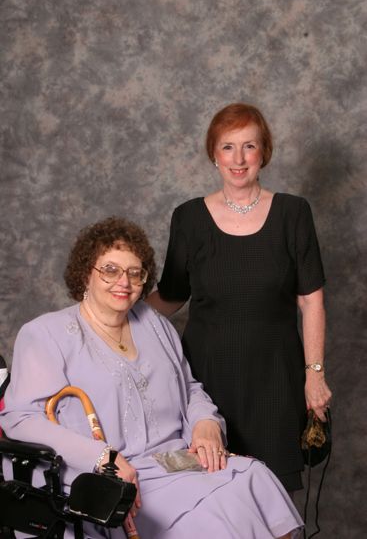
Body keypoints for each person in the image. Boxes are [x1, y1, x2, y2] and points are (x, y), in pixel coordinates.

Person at [0, 216, 303, 539]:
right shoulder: (47, 334)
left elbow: (190, 388)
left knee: (255, 478)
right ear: (85, 273)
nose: (124, 282)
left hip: (173, 461)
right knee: (217, 510)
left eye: (135, 273)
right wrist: (102, 456)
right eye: (111, 270)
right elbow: (21, 418)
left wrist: (206, 422)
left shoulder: (154, 324)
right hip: (108, 475)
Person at [147, 103, 332, 492]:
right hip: (206, 381)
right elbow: (171, 295)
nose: (238, 158)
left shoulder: (293, 213)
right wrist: (107, 316)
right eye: (228, 147)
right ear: (213, 153)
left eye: (249, 146)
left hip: (275, 380)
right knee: (209, 495)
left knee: (273, 499)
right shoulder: (189, 218)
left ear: (263, 152)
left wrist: (314, 375)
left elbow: (311, 300)